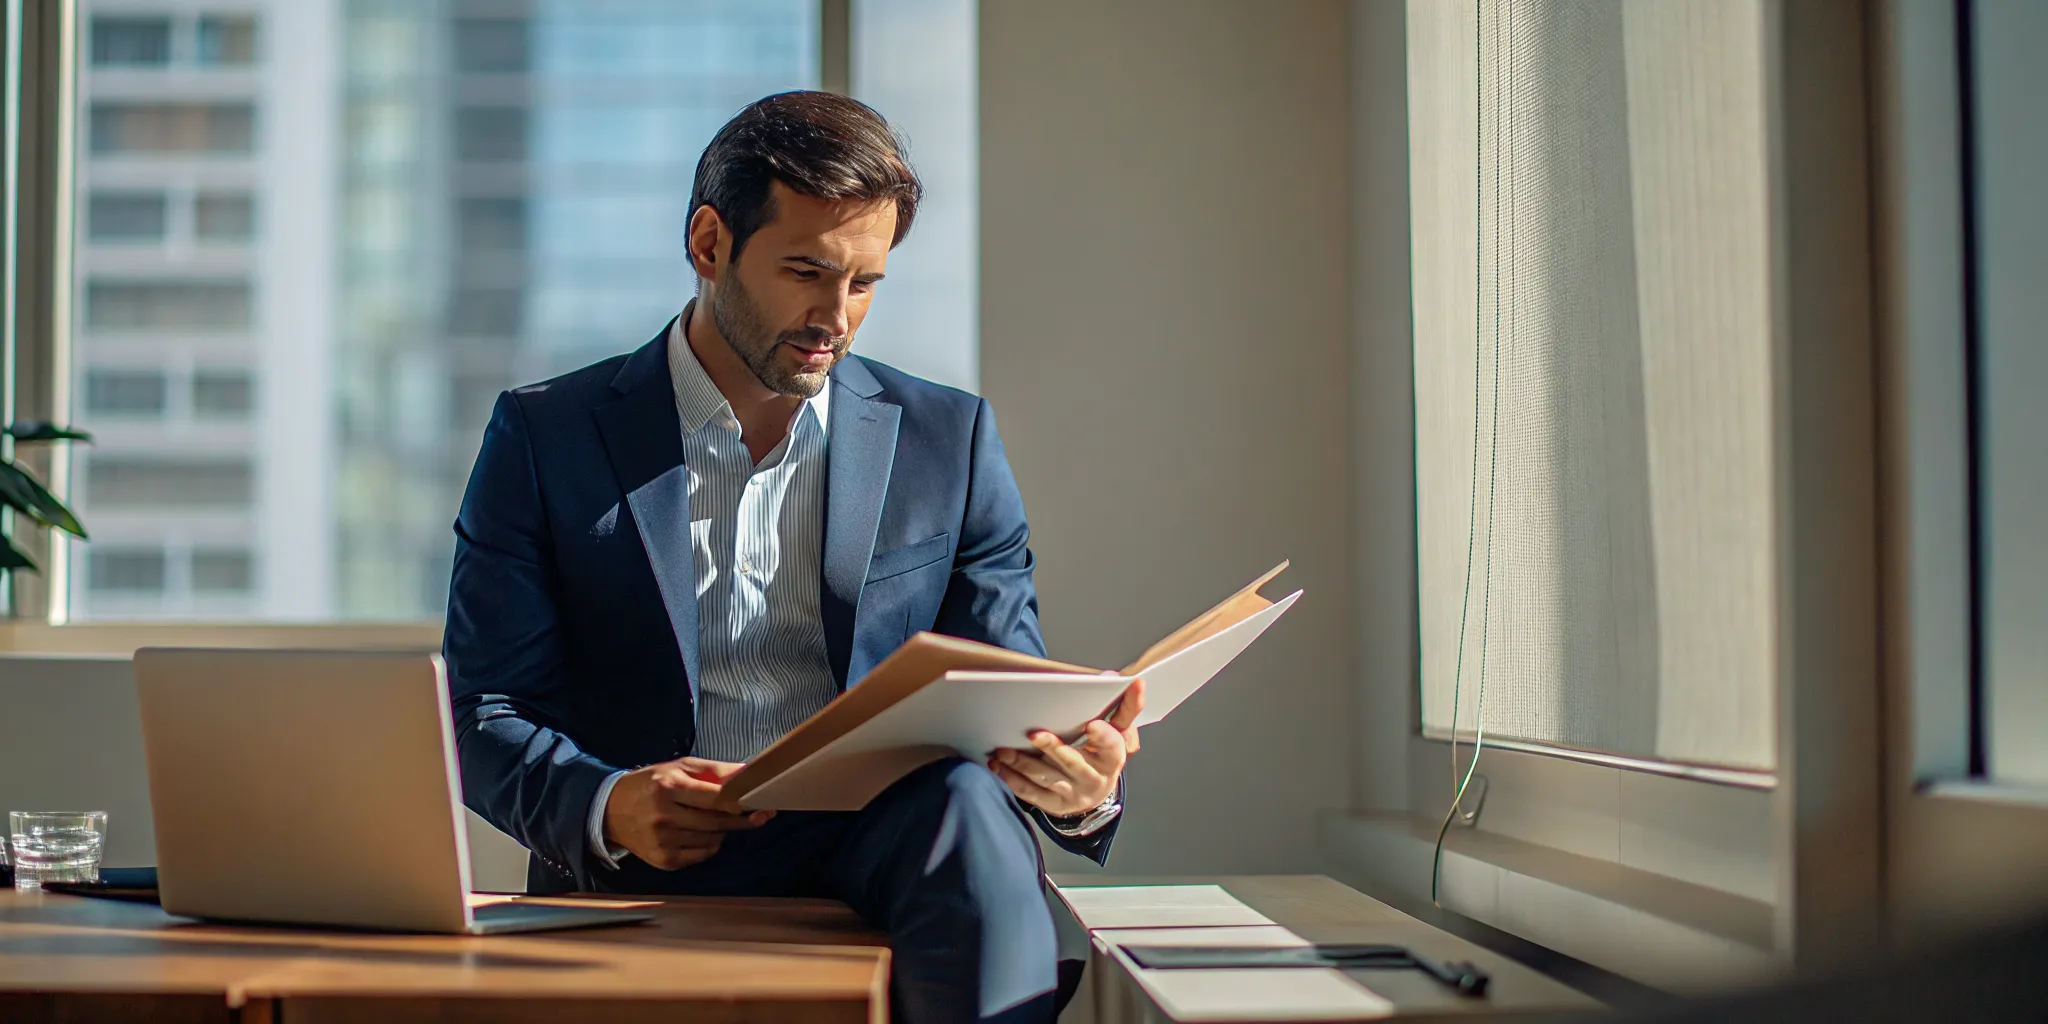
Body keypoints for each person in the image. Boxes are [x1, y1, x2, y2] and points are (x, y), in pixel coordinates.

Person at [443, 90, 1143, 1024]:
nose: (836, 316)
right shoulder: (546, 436)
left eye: (865, 283)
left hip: (883, 842)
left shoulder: (949, 440)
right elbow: (485, 709)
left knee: (970, 805)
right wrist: (609, 804)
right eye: (807, 271)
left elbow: (1003, 692)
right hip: (654, 852)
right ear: (708, 244)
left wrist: (1078, 788)